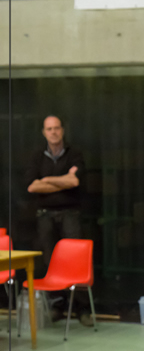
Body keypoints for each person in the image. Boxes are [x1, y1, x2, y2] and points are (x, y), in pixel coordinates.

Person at [26, 115, 92, 326]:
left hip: (70, 213)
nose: (53, 132)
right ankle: (57, 305)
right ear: (44, 132)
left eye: (56, 128)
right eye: (49, 129)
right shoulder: (37, 156)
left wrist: (46, 180)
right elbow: (32, 186)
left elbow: (74, 181)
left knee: (75, 260)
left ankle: (82, 309)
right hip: (45, 215)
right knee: (49, 260)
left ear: (62, 130)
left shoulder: (74, 153)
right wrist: (62, 180)